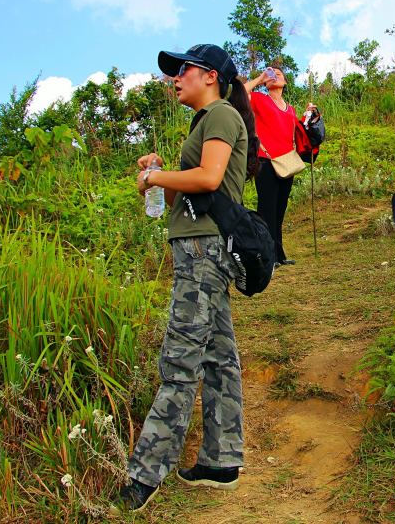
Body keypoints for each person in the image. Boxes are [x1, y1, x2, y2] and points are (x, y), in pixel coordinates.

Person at [111, 44, 261, 515]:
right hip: (203, 248)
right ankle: (220, 462)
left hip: (201, 251)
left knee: (180, 361)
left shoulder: (219, 115)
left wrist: (157, 179)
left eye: (183, 71)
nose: (174, 78)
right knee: (218, 356)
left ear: (210, 76)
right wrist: (164, 171)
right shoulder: (208, 120)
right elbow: (198, 176)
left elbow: (211, 178)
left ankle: (144, 475)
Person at [244, 67, 317, 267]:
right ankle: (266, 257)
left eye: (278, 73)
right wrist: (259, 79)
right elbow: (240, 94)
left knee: (279, 210)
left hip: (286, 162)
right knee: (266, 209)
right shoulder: (259, 99)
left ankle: (279, 255)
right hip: (265, 160)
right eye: (270, 73)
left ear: (285, 82)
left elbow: (297, 132)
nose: (273, 75)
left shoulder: (290, 109)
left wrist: (308, 118)